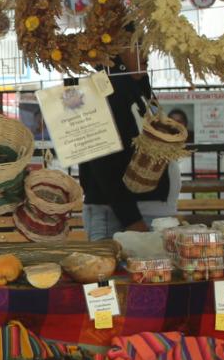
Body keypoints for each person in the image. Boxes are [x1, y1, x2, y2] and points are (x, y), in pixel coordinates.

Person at [76, 41, 180, 239]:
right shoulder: (103, 89)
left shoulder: (134, 88)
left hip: (144, 215)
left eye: (145, 44)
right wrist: (132, 220)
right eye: (137, 45)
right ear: (116, 50)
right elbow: (102, 162)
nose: (146, 52)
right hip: (122, 219)